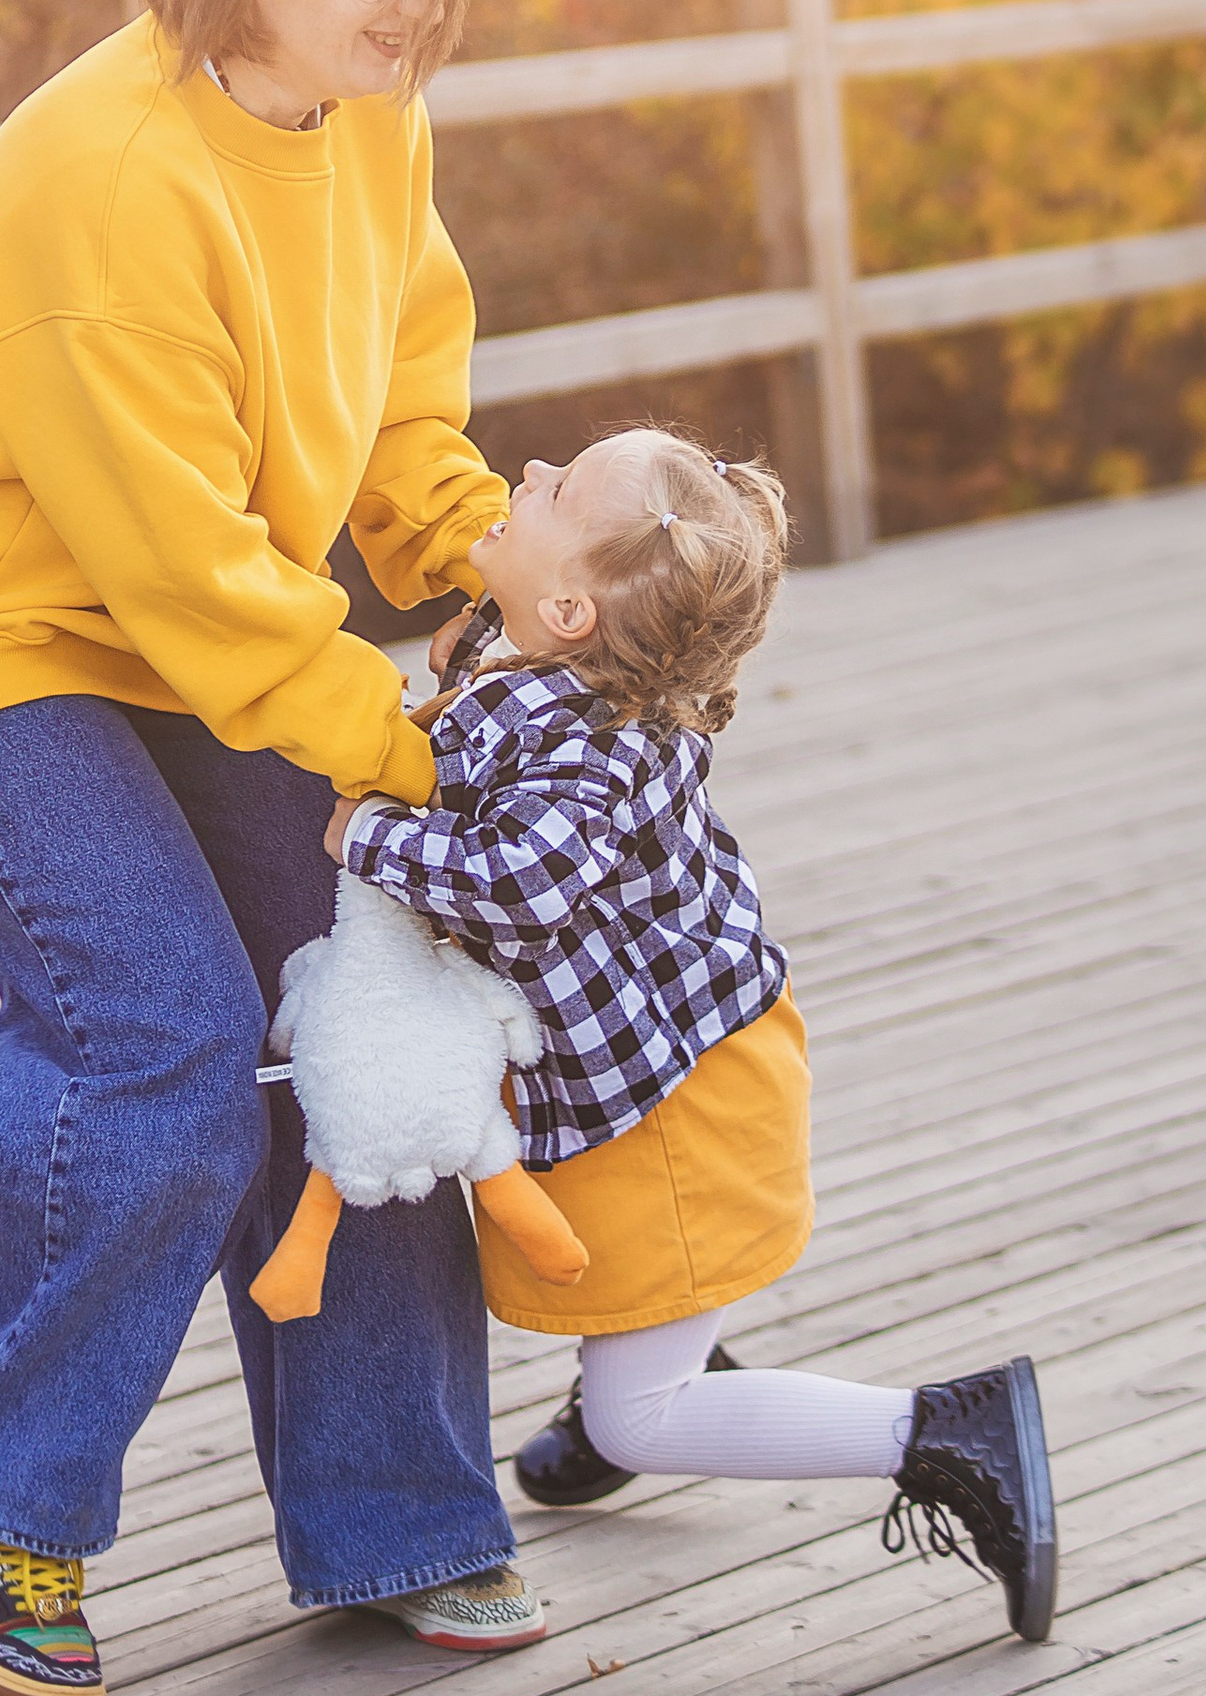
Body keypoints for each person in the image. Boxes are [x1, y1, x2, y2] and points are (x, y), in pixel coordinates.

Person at [0, 0, 546, 1696]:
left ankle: (397, 1515)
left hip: (200, 625)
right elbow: (190, 575)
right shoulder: (103, 182)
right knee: (167, 1037)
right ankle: (0, 1504)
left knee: (363, 1001)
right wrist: (427, 754)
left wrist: (502, 569)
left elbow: (401, 400)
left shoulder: (369, 110)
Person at [326, 426, 1062, 1645]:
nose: (525, 477)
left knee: (642, 1415)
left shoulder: (586, 741)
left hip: (671, 1102)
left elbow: (521, 885)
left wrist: (366, 835)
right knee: (628, 1289)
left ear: (573, 608)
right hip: (652, 1066)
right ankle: (660, 1359)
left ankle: (943, 1431)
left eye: (556, 488)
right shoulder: (556, 657)